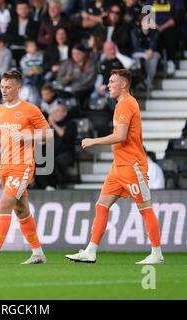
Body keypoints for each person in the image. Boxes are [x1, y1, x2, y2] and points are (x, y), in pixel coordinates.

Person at [66, 69, 164, 265]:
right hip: (118, 166)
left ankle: (156, 253)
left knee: (145, 208)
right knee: (101, 205)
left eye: (112, 82)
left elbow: (120, 136)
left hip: (132, 166)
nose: (108, 85)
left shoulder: (127, 103)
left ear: (124, 84)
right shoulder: (122, 104)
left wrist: (94, 141)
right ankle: (90, 251)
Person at [0, 70, 52, 265]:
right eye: (2, 87)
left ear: (18, 87)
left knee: (4, 204)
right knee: (21, 210)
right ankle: (38, 253)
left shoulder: (30, 109)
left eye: (8, 87)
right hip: (5, 167)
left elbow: (48, 134)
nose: (4, 90)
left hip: (22, 166)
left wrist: (28, 137)